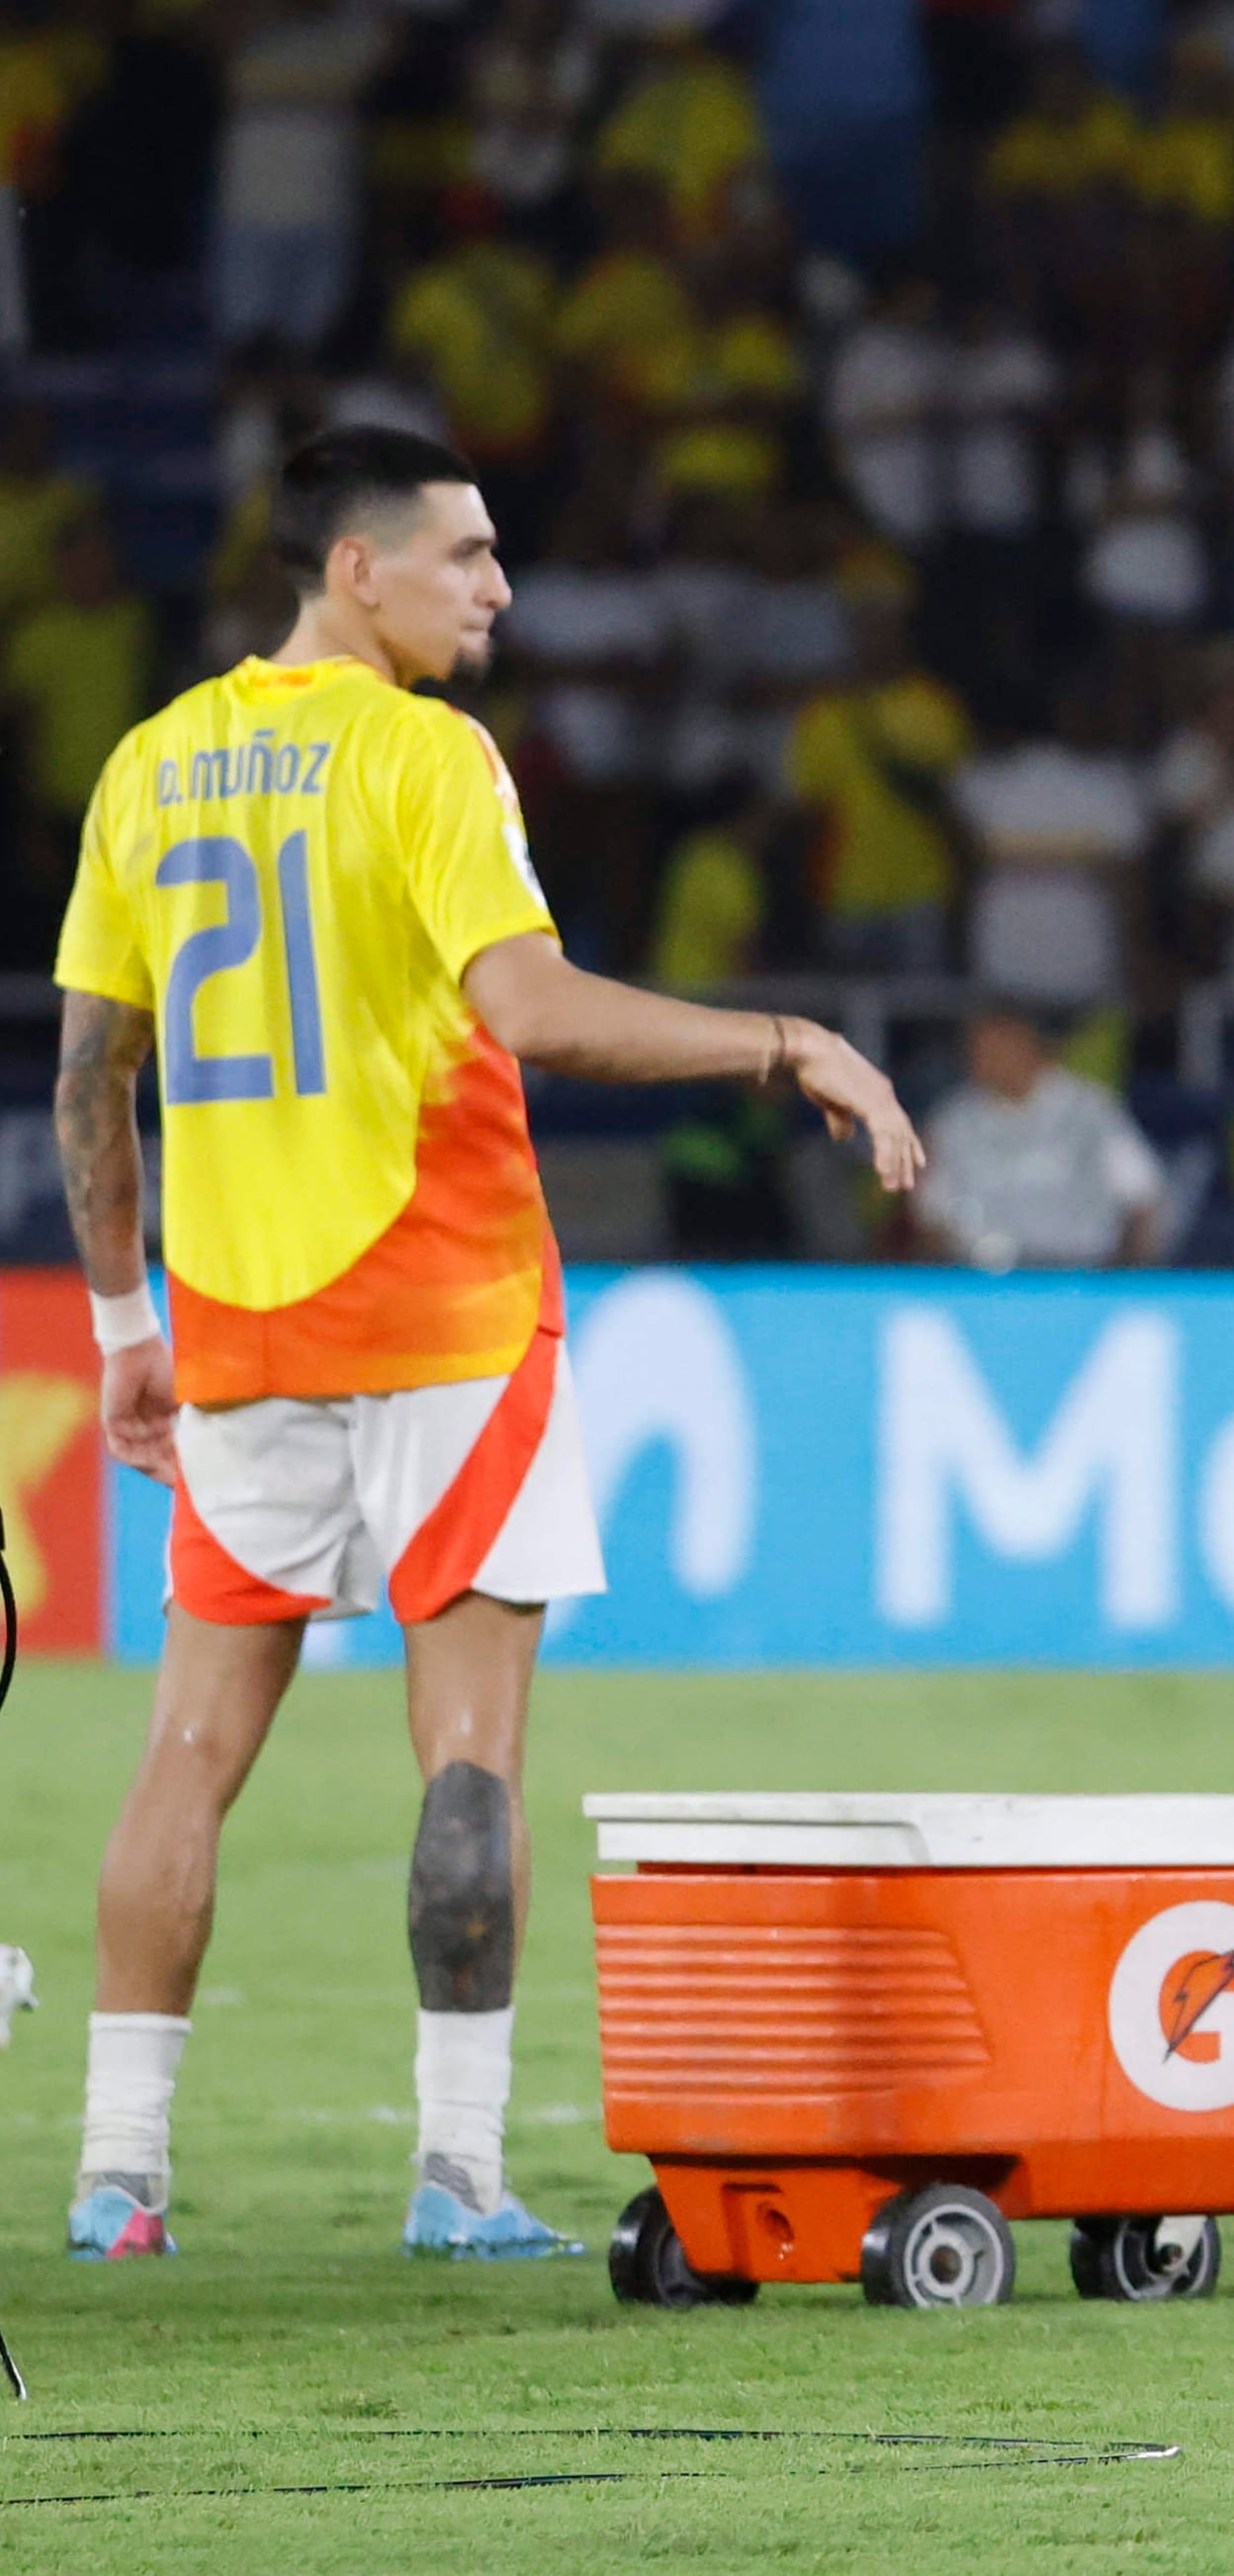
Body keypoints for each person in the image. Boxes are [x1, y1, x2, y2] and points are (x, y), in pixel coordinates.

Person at [49, 427, 923, 2263]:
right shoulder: (427, 754)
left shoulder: (148, 764)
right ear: (354, 570)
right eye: (465, 555)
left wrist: (127, 1318)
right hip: (446, 1309)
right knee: (468, 1760)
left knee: (186, 1754)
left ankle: (114, 2176)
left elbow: (85, 1082)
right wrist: (788, 1040)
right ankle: (456, 2176)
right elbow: (533, 1014)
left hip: (237, 1322)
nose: (499, 589)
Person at [913, 1003, 1167, 1269]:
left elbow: (1142, 1196)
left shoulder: (1091, 1111)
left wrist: (1131, 1278)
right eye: (976, 1047)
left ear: (1032, 1046)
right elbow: (931, 1217)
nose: (983, 1056)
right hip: (983, 1280)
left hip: (1080, 1275)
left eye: (998, 1045)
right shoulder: (951, 1120)